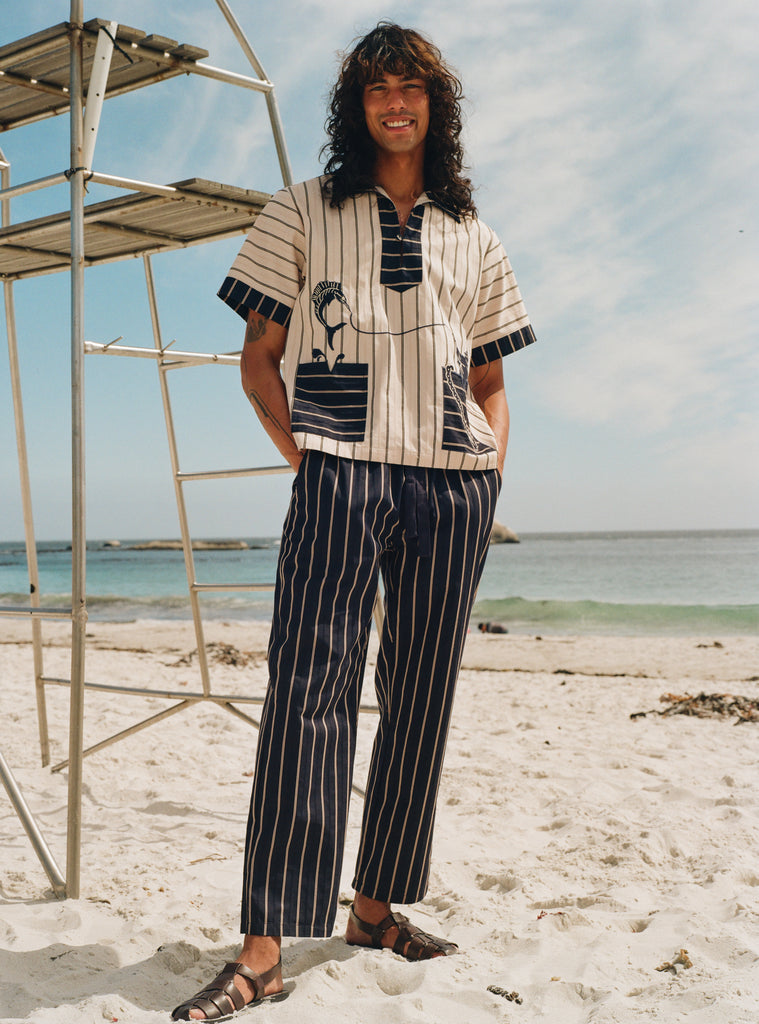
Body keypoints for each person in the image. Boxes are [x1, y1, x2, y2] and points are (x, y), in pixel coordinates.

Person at [172, 22, 535, 1022]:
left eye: (412, 89)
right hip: (340, 473)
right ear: (357, 107)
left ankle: (373, 910)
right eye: (378, 90)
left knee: (420, 695)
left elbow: (496, 381)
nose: (395, 106)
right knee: (306, 693)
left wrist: (488, 478)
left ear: (436, 105)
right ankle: (263, 947)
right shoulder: (302, 211)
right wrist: (313, 460)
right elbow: (258, 359)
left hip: (453, 488)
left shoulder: (478, 236)